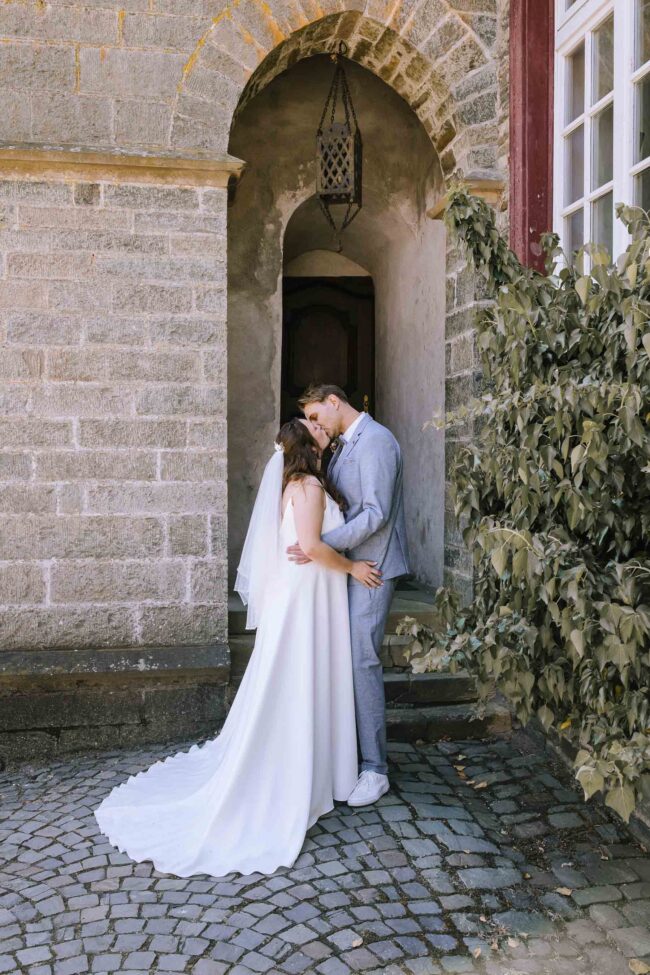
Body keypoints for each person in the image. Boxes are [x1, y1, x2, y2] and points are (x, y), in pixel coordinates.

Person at [93, 417, 381, 879]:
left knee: (304, 675)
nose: (320, 425)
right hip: (309, 594)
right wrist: (352, 569)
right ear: (308, 444)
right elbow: (309, 545)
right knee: (300, 676)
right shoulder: (306, 487)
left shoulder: (304, 483)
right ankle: (300, 771)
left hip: (309, 591)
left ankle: (323, 767)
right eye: (313, 425)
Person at [289, 384, 411, 808]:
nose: (317, 425)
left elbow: (376, 513)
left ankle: (375, 769)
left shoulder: (377, 441)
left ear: (333, 402)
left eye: (318, 416)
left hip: (372, 569)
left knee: (362, 659)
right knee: (347, 658)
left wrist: (322, 544)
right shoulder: (342, 445)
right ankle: (348, 755)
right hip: (346, 567)